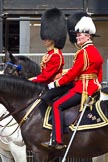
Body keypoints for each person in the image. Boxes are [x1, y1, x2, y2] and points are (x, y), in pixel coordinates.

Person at [41, 12, 103, 149]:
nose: (77, 37)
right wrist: (97, 85)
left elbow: (74, 74)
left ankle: (57, 140)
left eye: (80, 34)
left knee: (57, 105)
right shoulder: (95, 52)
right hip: (92, 87)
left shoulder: (83, 52)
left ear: (88, 35)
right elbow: (97, 73)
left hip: (82, 88)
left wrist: (55, 83)